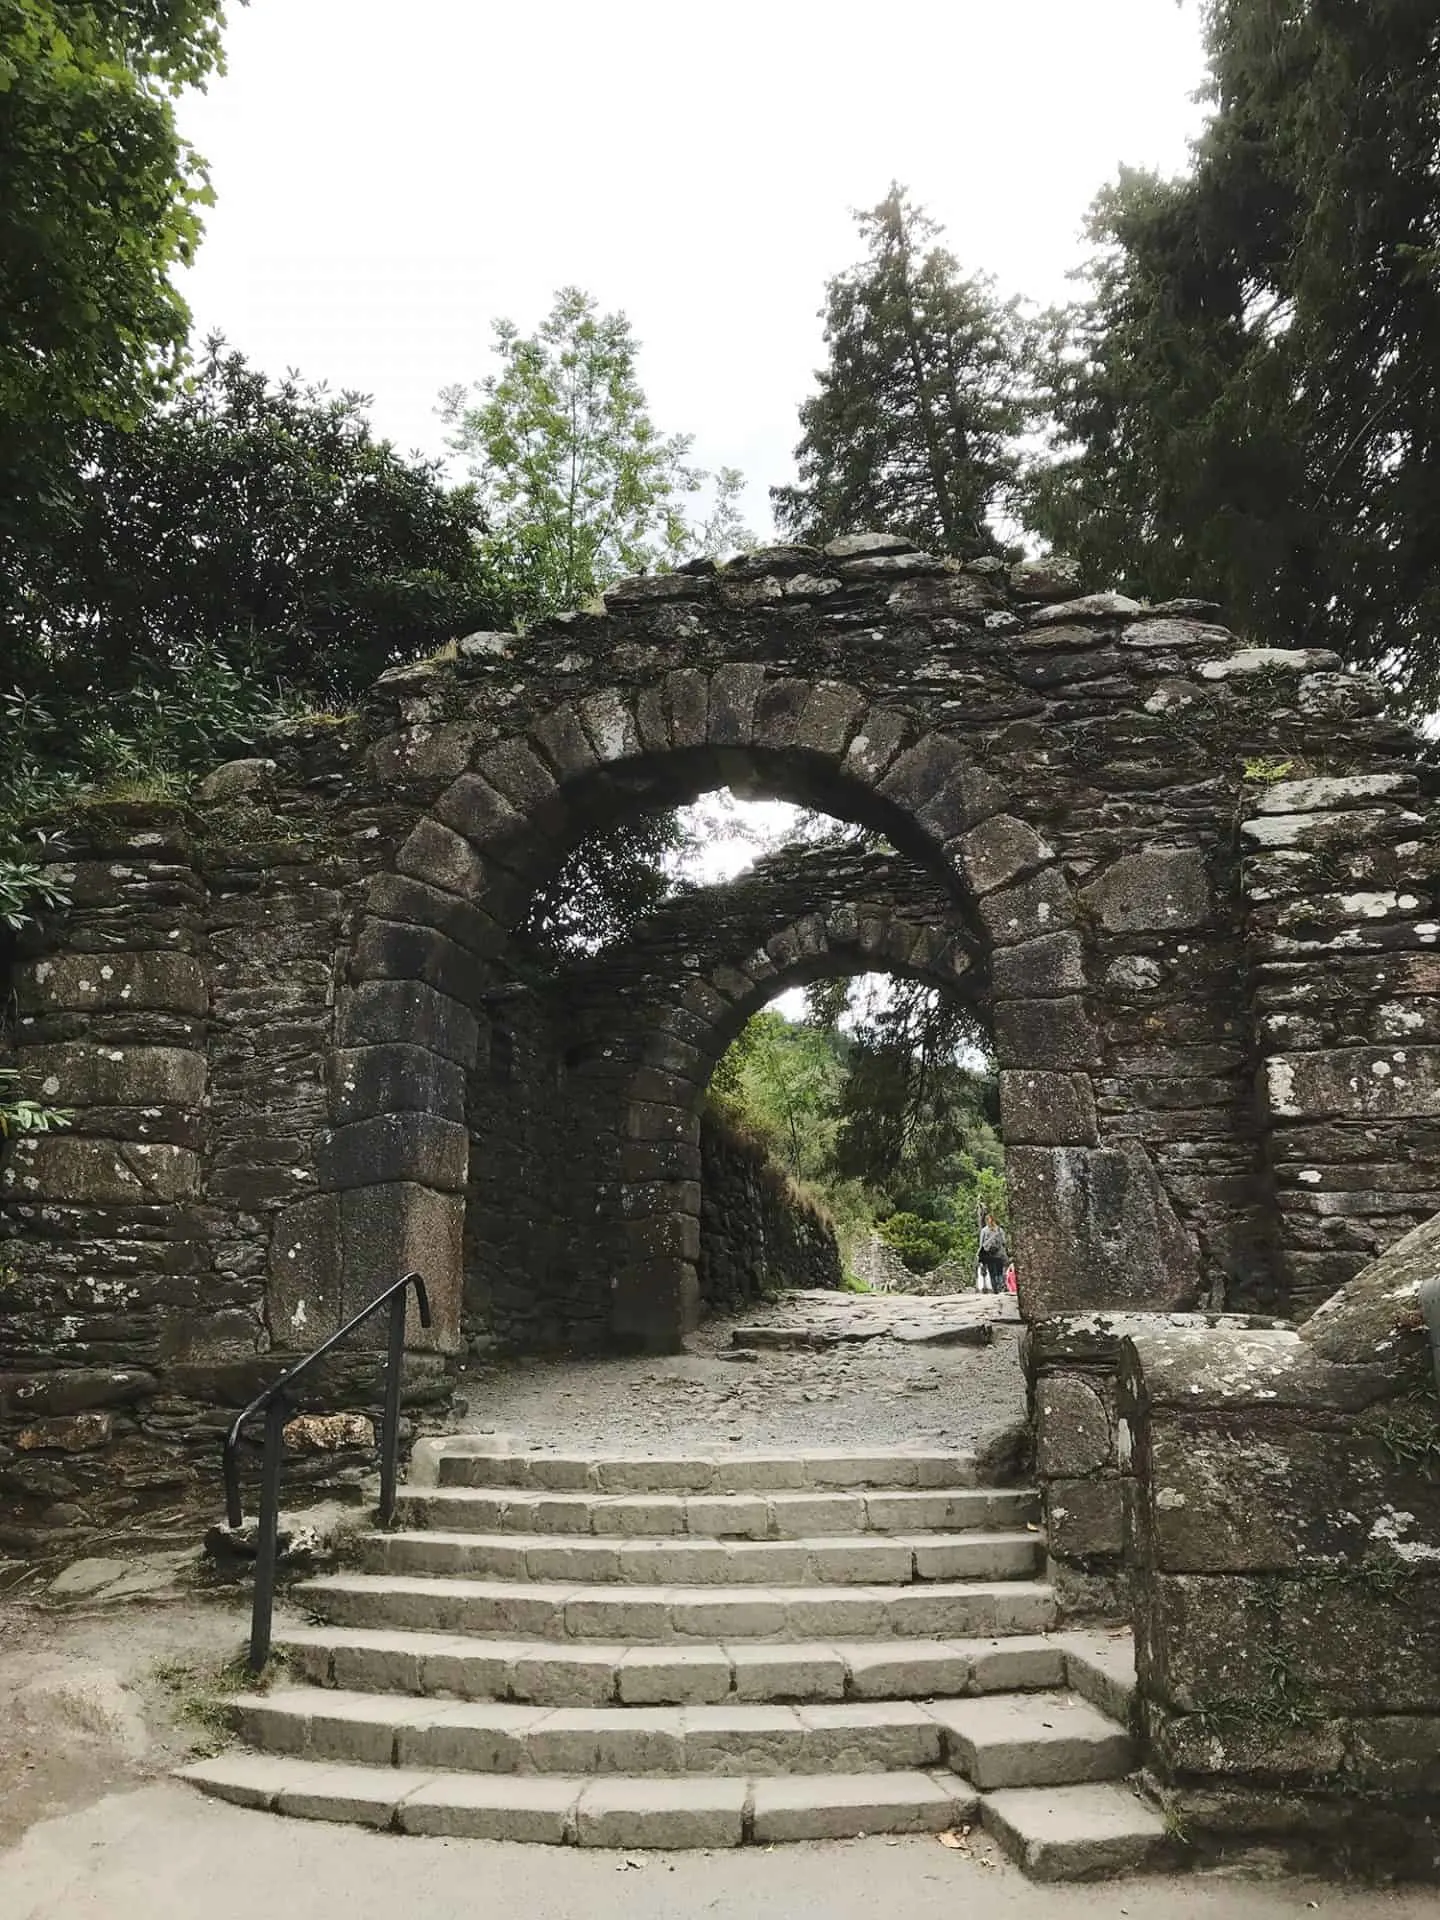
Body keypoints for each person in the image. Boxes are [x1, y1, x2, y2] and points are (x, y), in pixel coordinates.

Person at [978, 1213, 1008, 1295]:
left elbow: (981, 1244)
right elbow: (1004, 1242)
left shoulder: (984, 1230)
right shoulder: (999, 1230)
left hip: (988, 1254)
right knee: (999, 1271)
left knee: (992, 1272)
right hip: (999, 1254)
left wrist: (980, 1255)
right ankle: (999, 1287)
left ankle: (995, 1289)